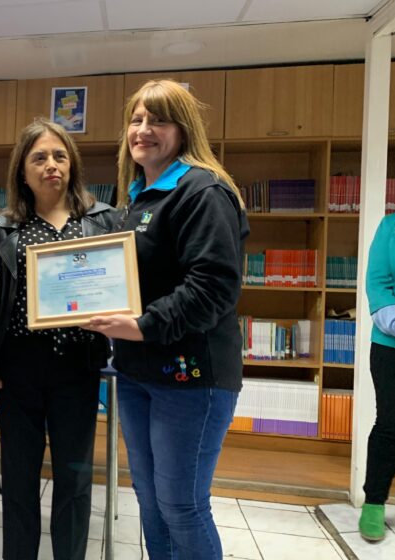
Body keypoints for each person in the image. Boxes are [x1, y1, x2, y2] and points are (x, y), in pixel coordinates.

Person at [83, 80, 249, 560]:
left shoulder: (203, 190)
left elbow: (214, 286)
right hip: (137, 374)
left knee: (182, 505)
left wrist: (141, 325)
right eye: (136, 120)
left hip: (191, 377)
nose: (143, 130)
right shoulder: (137, 197)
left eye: (157, 119)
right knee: (152, 502)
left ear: (184, 128)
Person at [0, 118, 119, 559]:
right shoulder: (1, 228)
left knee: (74, 480)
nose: (51, 165)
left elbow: (120, 286)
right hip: (18, 369)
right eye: (39, 157)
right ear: (22, 170)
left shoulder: (102, 220)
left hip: (78, 365)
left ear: (72, 165)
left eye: (59, 156)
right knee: (18, 479)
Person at [359, 212, 395, 542]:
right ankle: (373, 502)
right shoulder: (390, 227)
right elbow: (378, 284)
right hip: (391, 345)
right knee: (390, 423)